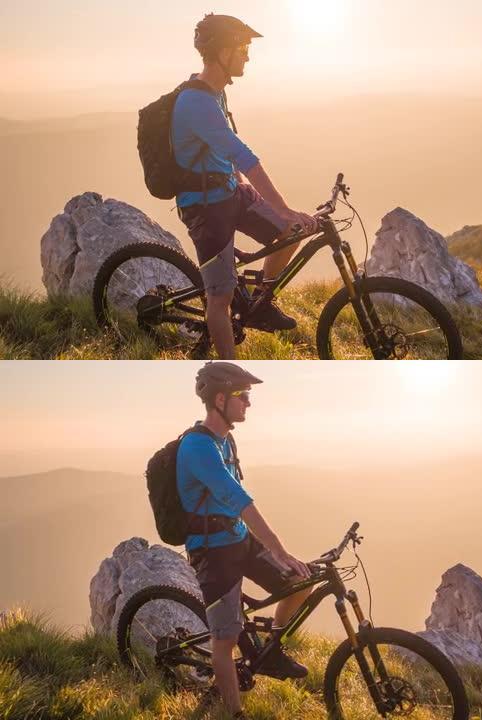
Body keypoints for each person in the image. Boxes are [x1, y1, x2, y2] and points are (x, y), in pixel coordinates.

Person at [172, 14, 319, 359]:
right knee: (220, 299)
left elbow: (223, 153)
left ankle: (259, 303)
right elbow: (244, 156)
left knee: (291, 230)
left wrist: (285, 216)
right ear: (222, 51)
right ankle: (229, 376)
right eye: (242, 48)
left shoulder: (215, 92)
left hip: (229, 191)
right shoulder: (196, 102)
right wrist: (283, 206)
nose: (247, 56)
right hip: (205, 208)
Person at [179, 362, 313, 717]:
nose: (249, 404)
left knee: (300, 582)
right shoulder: (198, 448)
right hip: (212, 552)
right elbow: (242, 503)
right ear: (220, 399)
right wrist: (280, 550)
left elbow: (237, 509)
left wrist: (281, 558)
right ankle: (235, 712)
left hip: (238, 540)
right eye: (244, 396)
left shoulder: (225, 439)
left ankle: (270, 654)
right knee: (223, 641)